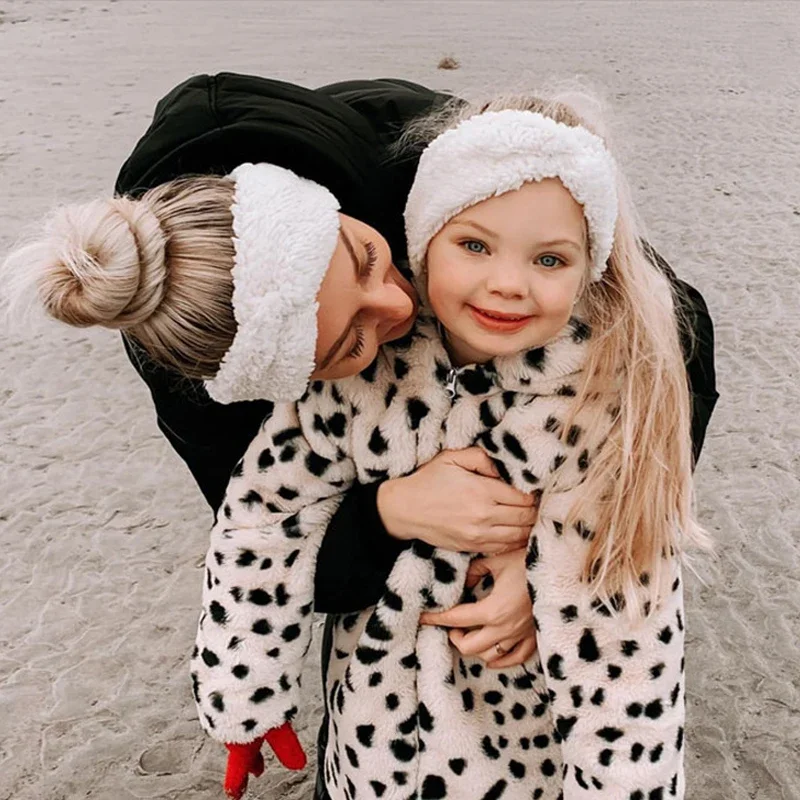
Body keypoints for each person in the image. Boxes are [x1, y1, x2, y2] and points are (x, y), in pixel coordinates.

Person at [173, 92, 703, 799]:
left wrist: (540, 574)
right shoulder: (358, 381)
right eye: (474, 246)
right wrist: (244, 697)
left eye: (550, 260)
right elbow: (263, 517)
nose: (508, 284)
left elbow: (625, 638)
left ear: (590, 271)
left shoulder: (594, 403)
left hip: (517, 752)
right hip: (371, 737)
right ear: (421, 241)